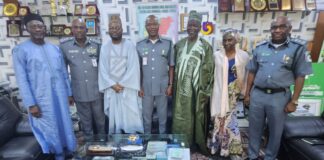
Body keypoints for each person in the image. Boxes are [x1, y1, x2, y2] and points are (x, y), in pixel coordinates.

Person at [244, 16, 313, 160]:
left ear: (289, 29)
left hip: (279, 97)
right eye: (274, 27)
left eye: (281, 27)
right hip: (258, 95)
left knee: (276, 132)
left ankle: (270, 157)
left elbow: (301, 75)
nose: (277, 30)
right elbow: (251, 71)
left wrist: (294, 101)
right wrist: (247, 94)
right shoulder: (260, 47)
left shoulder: (298, 48)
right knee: (254, 129)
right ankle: (252, 156)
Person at [12, 13, 76, 160]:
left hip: (60, 95)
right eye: (33, 26)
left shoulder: (55, 49)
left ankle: (69, 152)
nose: (38, 29)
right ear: (27, 29)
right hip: (41, 99)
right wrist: (31, 104)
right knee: (49, 127)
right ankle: (57, 155)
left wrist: (69, 93)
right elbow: (22, 80)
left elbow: (64, 73)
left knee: (65, 123)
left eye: (40, 26)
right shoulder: (21, 50)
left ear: (45, 28)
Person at [172, 10, 214, 154]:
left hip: (196, 90)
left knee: (195, 116)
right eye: (190, 25)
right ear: (186, 27)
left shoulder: (205, 46)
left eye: (195, 25)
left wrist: (205, 91)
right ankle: (180, 141)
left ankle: (194, 143)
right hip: (179, 90)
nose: (192, 28)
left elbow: (209, 69)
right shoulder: (179, 45)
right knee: (179, 115)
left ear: (200, 28)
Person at [59, 18, 106, 140]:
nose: (79, 30)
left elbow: (103, 69)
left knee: (101, 122)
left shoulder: (97, 45)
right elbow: (63, 72)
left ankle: (103, 145)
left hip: (97, 92)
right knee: (86, 123)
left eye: (81, 27)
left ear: (86, 29)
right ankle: (90, 147)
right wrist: (69, 94)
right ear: (71, 29)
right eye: (76, 27)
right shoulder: (65, 47)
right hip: (79, 93)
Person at [207, 29, 249, 158]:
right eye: (224, 40)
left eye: (230, 39)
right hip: (219, 91)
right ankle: (218, 146)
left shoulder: (243, 56)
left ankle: (230, 147)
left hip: (234, 93)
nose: (226, 42)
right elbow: (212, 74)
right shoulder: (217, 55)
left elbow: (246, 75)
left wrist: (245, 92)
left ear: (236, 40)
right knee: (219, 118)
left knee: (230, 119)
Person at [98, 15, 143, 134]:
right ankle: (117, 144)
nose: (114, 30)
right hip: (112, 89)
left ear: (122, 29)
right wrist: (113, 85)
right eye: (111, 28)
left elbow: (134, 67)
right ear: (108, 30)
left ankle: (133, 143)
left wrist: (122, 84)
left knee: (130, 118)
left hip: (127, 88)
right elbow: (102, 70)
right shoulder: (104, 48)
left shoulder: (129, 45)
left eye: (117, 27)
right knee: (115, 119)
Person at [137, 15, 174, 134]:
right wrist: (139, 86)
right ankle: (147, 138)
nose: (152, 27)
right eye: (149, 24)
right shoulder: (140, 45)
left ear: (158, 26)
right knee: (146, 116)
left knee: (163, 116)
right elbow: (138, 69)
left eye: (154, 24)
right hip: (146, 87)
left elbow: (171, 66)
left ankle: (162, 138)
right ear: (146, 27)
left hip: (162, 86)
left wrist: (170, 85)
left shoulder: (167, 43)